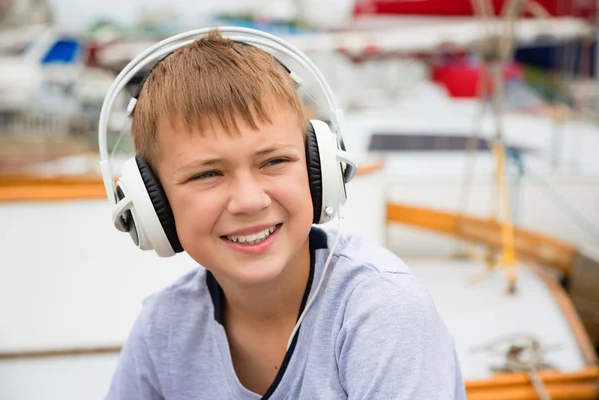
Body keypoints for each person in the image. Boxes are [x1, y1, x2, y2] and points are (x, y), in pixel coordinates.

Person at [104, 28, 466, 399]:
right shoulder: (162, 330)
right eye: (207, 173)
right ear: (153, 205)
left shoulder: (382, 313)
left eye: (274, 161)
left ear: (320, 170)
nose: (249, 200)